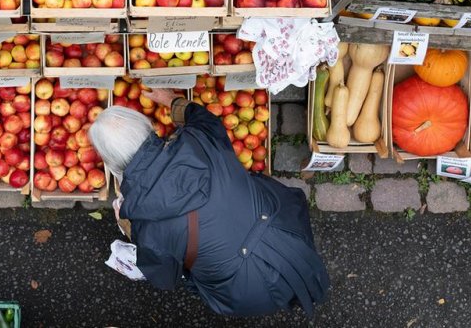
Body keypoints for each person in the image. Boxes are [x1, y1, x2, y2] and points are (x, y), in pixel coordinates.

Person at [89, 88, 329, 317]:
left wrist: (131, 229)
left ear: (111, 165)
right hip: (288, 230)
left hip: (245, 292)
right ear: (148, 127)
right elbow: (202, 118)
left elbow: (164, 276)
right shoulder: (198, 137)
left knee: (193, 267)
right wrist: (173, 101)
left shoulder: (147, 227)